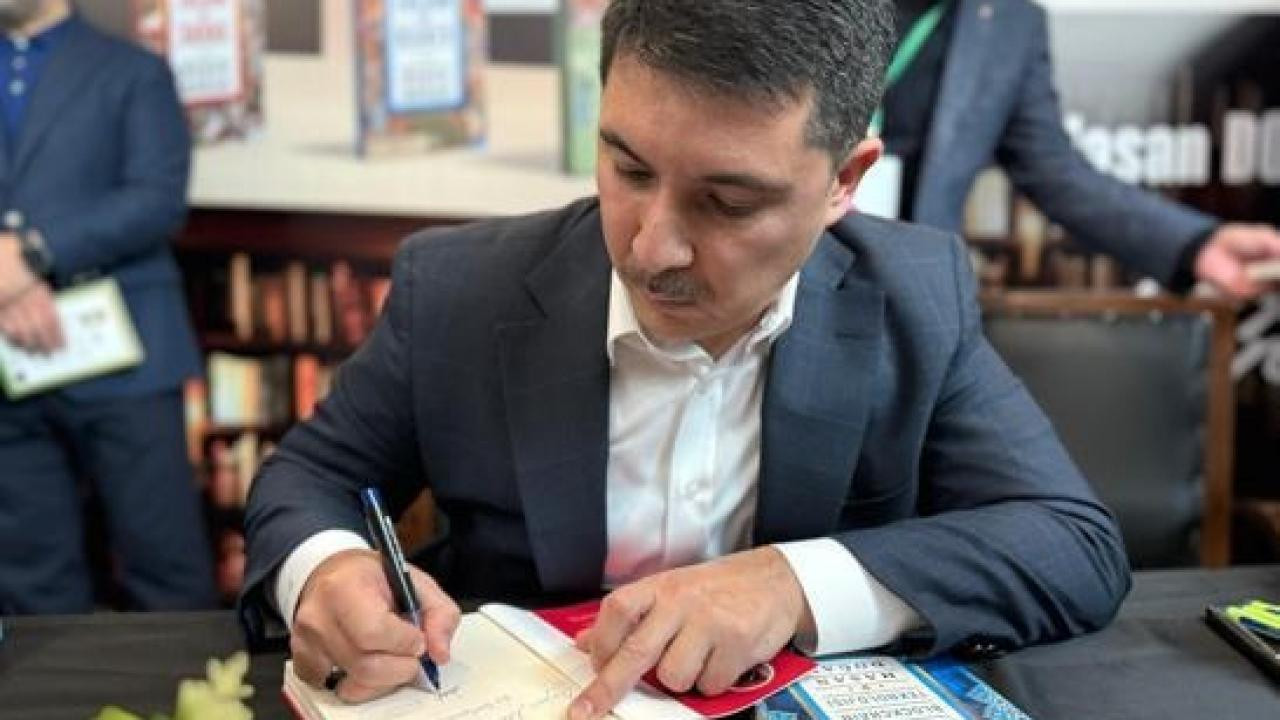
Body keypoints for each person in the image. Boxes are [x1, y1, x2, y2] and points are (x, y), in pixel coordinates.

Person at [239, 1, 1129, 718]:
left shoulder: (916, 298)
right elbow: (310, 477)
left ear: (843, 182)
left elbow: (1072, 542)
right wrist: (329, 569)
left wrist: (790, 585)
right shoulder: (459, 290)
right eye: (628, 170)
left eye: (727, 203)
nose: (651, 248)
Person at [0, 0, 215, 613]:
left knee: (166, 564)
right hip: (8, 370)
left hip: (128, 364)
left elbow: (157, 198)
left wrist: (30, 256)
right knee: (28, 579)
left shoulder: (134, 70)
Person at [880, 0, 1280, 299]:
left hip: (907, 300)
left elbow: (1057, 174)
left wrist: (1197, 244)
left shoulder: (1010, 23)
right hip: (833, 266)